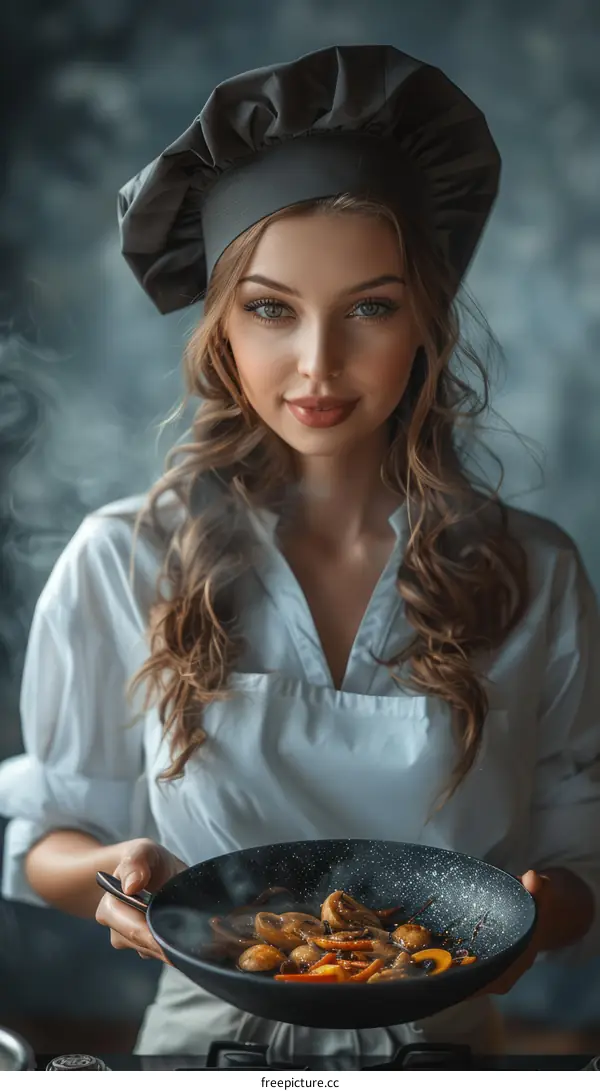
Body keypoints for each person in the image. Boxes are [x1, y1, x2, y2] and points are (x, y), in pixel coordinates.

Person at [0, 43, 599, 1065]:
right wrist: (117, 866)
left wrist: (542, 913)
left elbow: (574, 847)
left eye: (370, 305)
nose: (317, 362)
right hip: (202, 1044)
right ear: (221, 328)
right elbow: (39, 833)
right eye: (270, 307)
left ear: (427, 322)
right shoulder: (119, 558)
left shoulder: (533, 570)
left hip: (448, 1048)